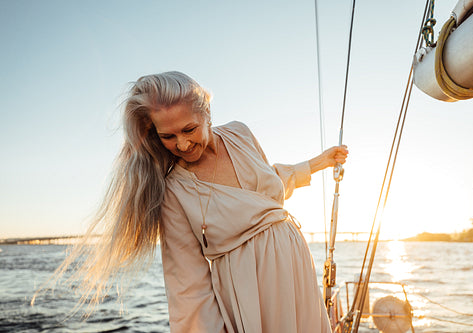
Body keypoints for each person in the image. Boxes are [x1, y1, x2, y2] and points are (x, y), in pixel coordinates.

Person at [37, 71, 348, 333]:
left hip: (296, 268)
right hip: (250, 290)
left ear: (207, 114)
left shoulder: (241, 133)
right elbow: (188, 286)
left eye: (189, 129)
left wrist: (317, 163)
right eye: (168, 136)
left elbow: (266, 186)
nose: (182, 144)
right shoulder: (173, 191)